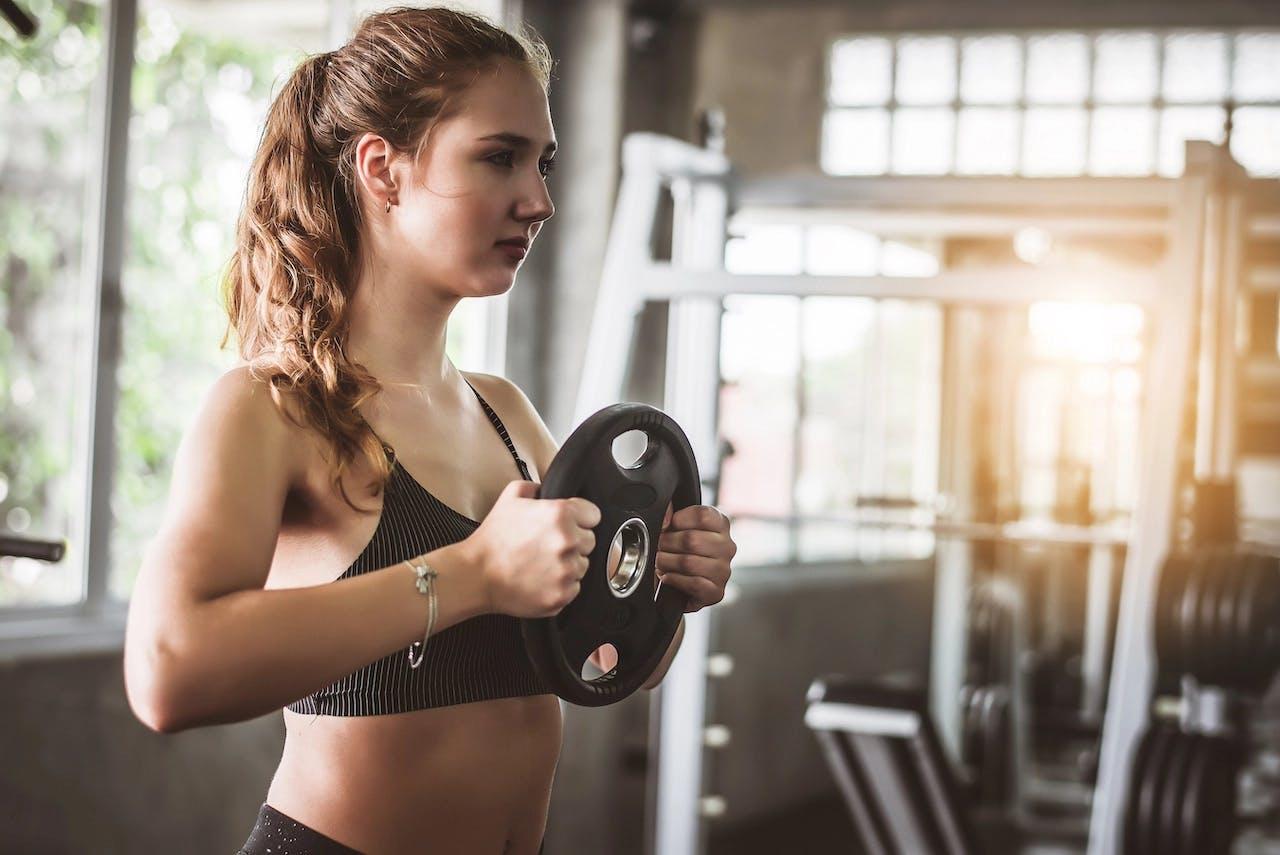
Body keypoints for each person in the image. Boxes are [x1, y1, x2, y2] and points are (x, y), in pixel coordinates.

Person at [121, 7, 736, 854]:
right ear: (384, 170)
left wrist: (665, 583)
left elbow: (606, 661)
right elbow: (166, 672)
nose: (540, 200)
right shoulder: (276, 410)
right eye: (499, 157)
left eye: (544, 163)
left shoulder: (506, 411)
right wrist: (476, 572)